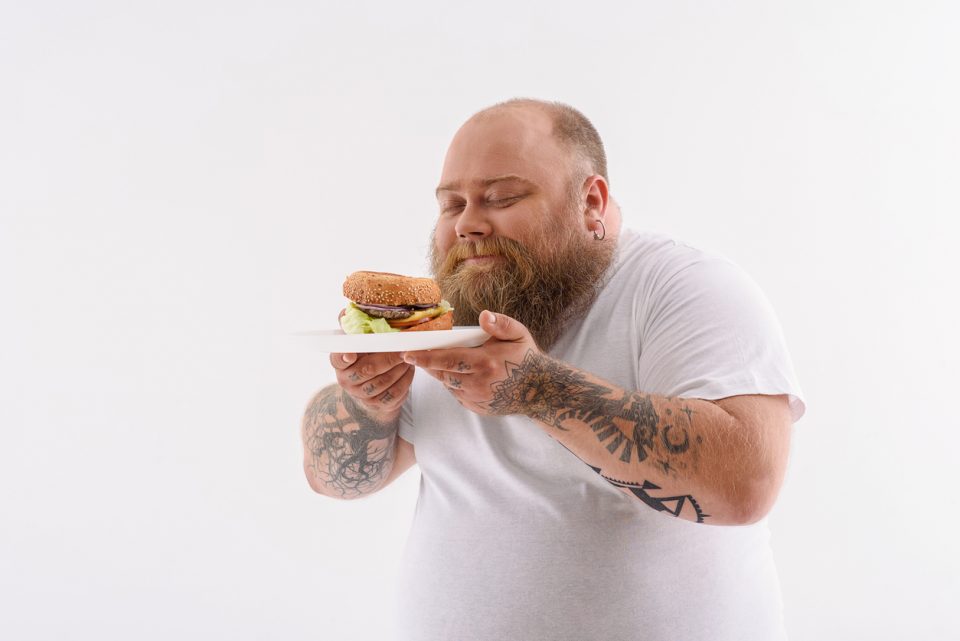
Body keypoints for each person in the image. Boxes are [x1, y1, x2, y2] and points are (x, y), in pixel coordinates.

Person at [301, 98, 806, 641]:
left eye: (501, 197)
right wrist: (369, 405)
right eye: (451, 205)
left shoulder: (685, 289)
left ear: (591, 201)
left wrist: (539, 389)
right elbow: (334, 482)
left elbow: (747, 482)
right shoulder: (447, 313)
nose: (469, 223)